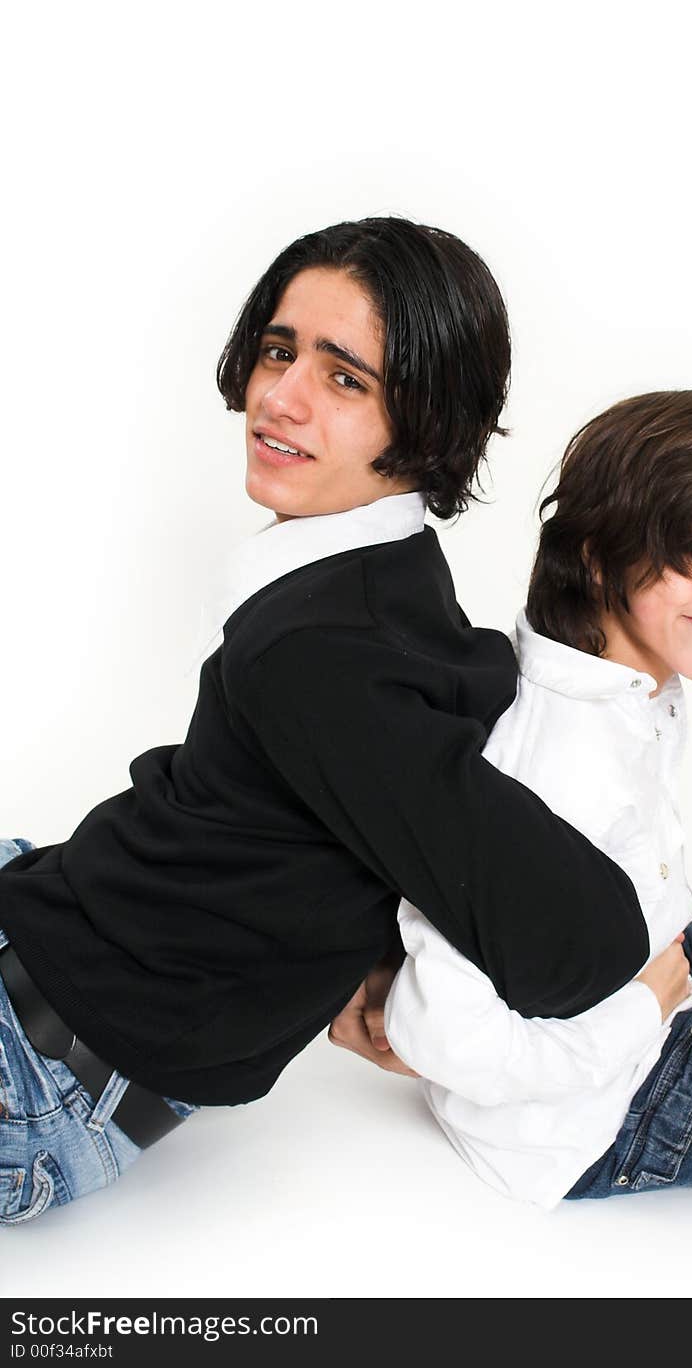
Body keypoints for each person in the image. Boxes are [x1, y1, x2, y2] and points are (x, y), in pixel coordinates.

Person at [0, 218, 648, 1224]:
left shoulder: (317, 657)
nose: (279, 397)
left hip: (31, 1084)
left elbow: (581, 939)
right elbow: (322, 806)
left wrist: (636, 989)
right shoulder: (385, 583)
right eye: (278, 350)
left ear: (426, 419)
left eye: (346, 379)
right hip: (50, 920)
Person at [348, 390, 692, 1207]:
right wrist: (643, 1009)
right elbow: (441, 1033)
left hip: (646, 981)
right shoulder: (556, 755)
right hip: (607, 1115)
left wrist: (651, 990)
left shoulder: (620, 689)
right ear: (597, 554)